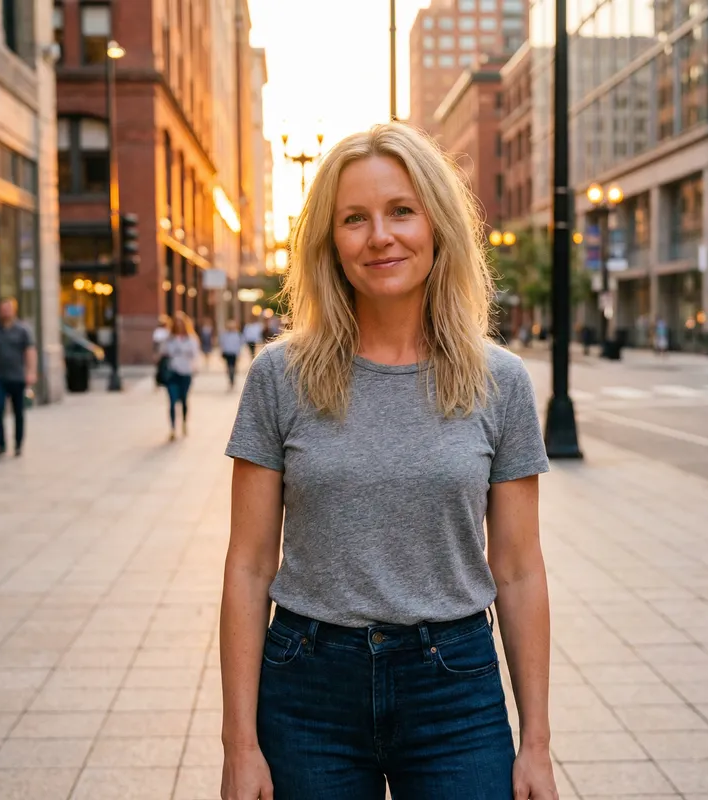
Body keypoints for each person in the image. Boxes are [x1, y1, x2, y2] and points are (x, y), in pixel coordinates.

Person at [220, 123, 557, 800]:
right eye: (355, 219)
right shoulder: (279, 377)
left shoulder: (502, 382)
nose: (380, 236)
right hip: (307, 690)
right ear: (329, 242)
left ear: (437, 224)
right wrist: (239, 746)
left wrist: (538, 745)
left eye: (401, 210)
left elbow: (518, 570)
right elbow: (250, 564)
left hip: (455, 692)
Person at [0, 298, 37, 459]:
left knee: (18, 412)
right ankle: (1, 444)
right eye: (3, 308)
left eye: (8, 308)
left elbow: (30, 351)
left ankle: (18, 443)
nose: (5, 311)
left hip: (18, 377)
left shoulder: (23, 330)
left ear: (14, 310)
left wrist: (31, 372)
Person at [160, 312, 199, 441]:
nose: (178, 326)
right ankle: (172, 428)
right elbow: (163, 352)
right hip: (172, 373)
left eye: (181, 324)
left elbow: (194, 354)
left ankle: (184, 423)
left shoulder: (191, 339)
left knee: (183, 400)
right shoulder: (169, 339)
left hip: (186, 372)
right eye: (176, 324)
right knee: (171, 401)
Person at [219, 319, 243, 389]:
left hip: (234, 353)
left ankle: (233, 378)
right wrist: (222, 351)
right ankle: (230, 378)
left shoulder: (237, 334)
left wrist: (238, 352)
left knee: (233, 367)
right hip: (227, 352)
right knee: (228, 366)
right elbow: (222, 343)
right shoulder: (225, 335)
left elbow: (240, 344)